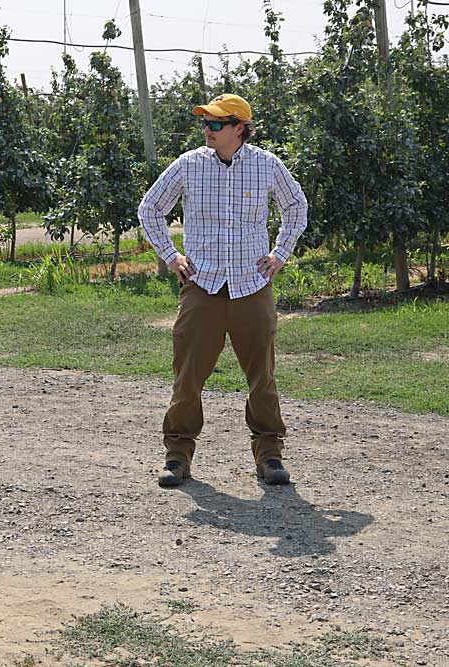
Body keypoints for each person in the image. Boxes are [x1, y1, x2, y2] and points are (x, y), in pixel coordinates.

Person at [138, 93, 308, 488]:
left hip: (252, 286)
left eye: (215, 124)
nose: (207, 130)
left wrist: (280, 253)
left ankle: (269, 456)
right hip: (202, 285)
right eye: (205, 123)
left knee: (261, 377)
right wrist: (170, 255)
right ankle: (177, 457)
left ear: (239, 129)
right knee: (187, 377)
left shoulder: (267, 165)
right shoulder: (188, 165)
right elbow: (150, 209)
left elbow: (296, 207)